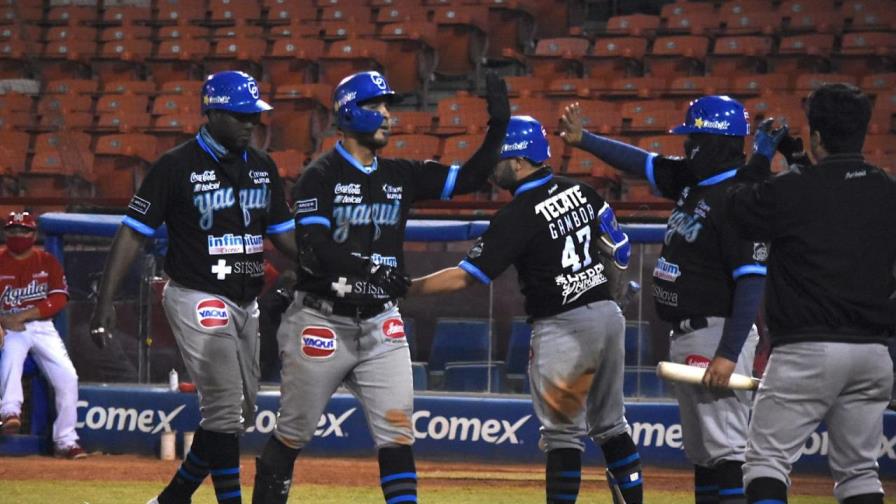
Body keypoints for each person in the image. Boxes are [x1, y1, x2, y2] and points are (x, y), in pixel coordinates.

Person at [250, 70, 510, 504]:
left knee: (397, 435)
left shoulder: (400, 174)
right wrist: (372, 268)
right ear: (349, 112)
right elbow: (313, 247)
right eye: (377, 106)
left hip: (381, 323)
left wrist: (498, 123)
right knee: (292, 434)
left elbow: (468, 179)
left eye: (388, 105)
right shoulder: (321, 175)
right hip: (321, 320)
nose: (389, 115)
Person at [408, 115, 643, 504]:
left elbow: (466, 277)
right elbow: (619, 250)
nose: (493, 167)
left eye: (500, 158)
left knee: (564, 435)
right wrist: (612, 298)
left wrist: (406, 289)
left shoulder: (518, 214)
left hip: (563, 326)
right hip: (607, 317)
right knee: (612, 426)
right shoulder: (583, 191)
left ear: (519, 162)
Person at [89, 70, 297, 504]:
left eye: (254, 117)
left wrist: (329, 260)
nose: (249, 124)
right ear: (214, 113)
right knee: (222, 408)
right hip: (196, 295)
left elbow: (283, 233)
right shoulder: (175, 165)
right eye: (240, 116)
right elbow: (132, 232)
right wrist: (104, 301)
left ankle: (175, 496)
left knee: (240, 412)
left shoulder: (262, 166)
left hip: (246, 300)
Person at [559, 97, 768, 504]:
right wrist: (585, 140)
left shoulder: (740, 198)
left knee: (727, 450)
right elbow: (641, 162)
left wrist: (727, 353)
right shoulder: (693, 180)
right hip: (690, 334)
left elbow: (751, 283)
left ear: (716, 143)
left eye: (694, 138)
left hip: (717, 334)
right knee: (705, 452)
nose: (687, 145)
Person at [727, 83, 896, 504]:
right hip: (874, 352)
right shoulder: (887, 189)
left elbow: (736, 209)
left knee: (766, 461)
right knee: (859, 473)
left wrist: (764, 155)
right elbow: (835, 193)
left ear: (817, 135)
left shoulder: (793, 189)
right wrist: (800, 159)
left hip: (807, 349)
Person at [0, 211, 85, 460]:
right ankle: (10, 412)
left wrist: (24, 315)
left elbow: (59, 298)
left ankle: (66, 441)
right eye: (13, 230)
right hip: (9, 326)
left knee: (68, 377)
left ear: (33, 234)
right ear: (6, 233)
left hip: (41, 326)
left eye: (23, 231)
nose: (18, 235)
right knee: (11, 357)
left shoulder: (47, 261)